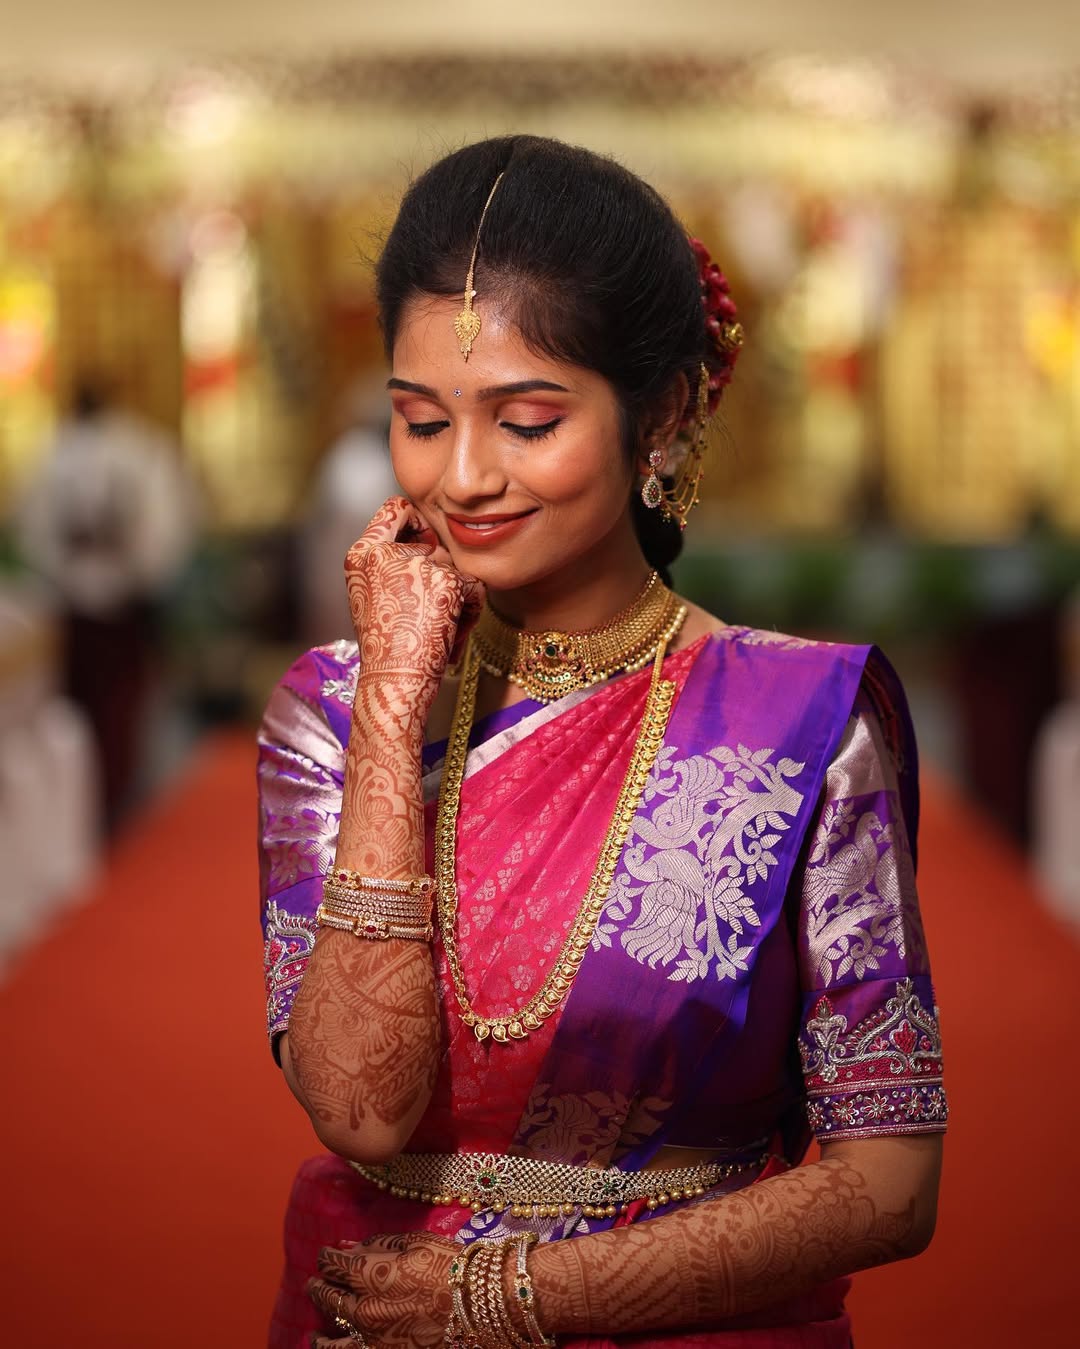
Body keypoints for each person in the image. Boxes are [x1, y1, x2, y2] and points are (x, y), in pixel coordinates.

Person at [257, 135, 946, 1349]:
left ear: (663, 414)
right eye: (420, 421)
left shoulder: (803, 725)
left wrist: (510, 1295)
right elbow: (361, 1110)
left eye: (525, 421)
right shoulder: (334, 708)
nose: (462, 477)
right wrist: (392, 702)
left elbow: (889, 1181)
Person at [17, 376, 197, 830]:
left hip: (73, 608)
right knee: (123, 713)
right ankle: (121, 804)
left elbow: (33, 534)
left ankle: (87, 812)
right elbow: (165, 531)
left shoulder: (51, 453)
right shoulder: (141, 447)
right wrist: (140, 574)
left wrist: (63, 576)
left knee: (79, 715)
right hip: (125, 607)